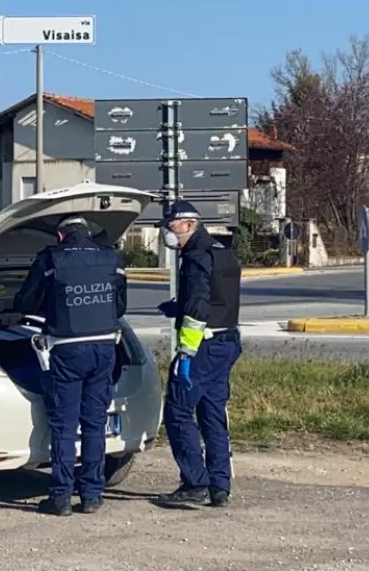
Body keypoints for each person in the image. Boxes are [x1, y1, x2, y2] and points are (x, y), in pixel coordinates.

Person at [13, 215, 127, 516]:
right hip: (105, 348)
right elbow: (120, 305)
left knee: (64, 426)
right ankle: (91, 495)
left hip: (67, 350)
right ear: (86, 233)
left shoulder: (50, 259)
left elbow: (26, 302)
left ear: (60, 236)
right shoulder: (110, 257)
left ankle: (61, 497)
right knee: (94, 423)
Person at [153, 201, 242, 508]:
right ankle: (220, 485)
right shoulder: (221, 250)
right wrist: (176, 308)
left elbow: (200, 307)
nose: (168, 231)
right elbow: (218, 299)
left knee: (177, 411)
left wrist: (186, 352)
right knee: (212, 414)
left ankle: (194, 483)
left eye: (172, 226)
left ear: (190, 224)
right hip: (227, 341)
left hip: (203, 346)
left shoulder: (195, 255)